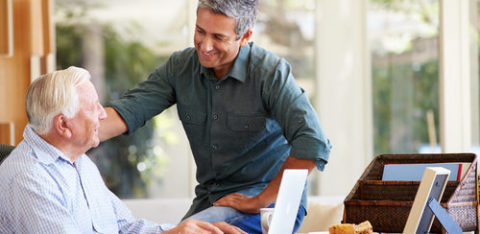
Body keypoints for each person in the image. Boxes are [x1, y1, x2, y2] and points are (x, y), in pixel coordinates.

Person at [100, 0, 332, 233]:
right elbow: (129, 111)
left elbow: (313, 143)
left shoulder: (270, 72)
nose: (205, 45)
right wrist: (72, 134)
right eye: (200, 31)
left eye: (218, 38)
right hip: (210, 200)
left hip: (268, 205)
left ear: (245, 36)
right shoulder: (180, 68)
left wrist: (259, 200)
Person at [0, 66, 245, 234]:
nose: (103, 114)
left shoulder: (78, 161)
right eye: (94, 107)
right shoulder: (27, 178)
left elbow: (123, 225)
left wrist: (177, 231)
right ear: (63, 125)